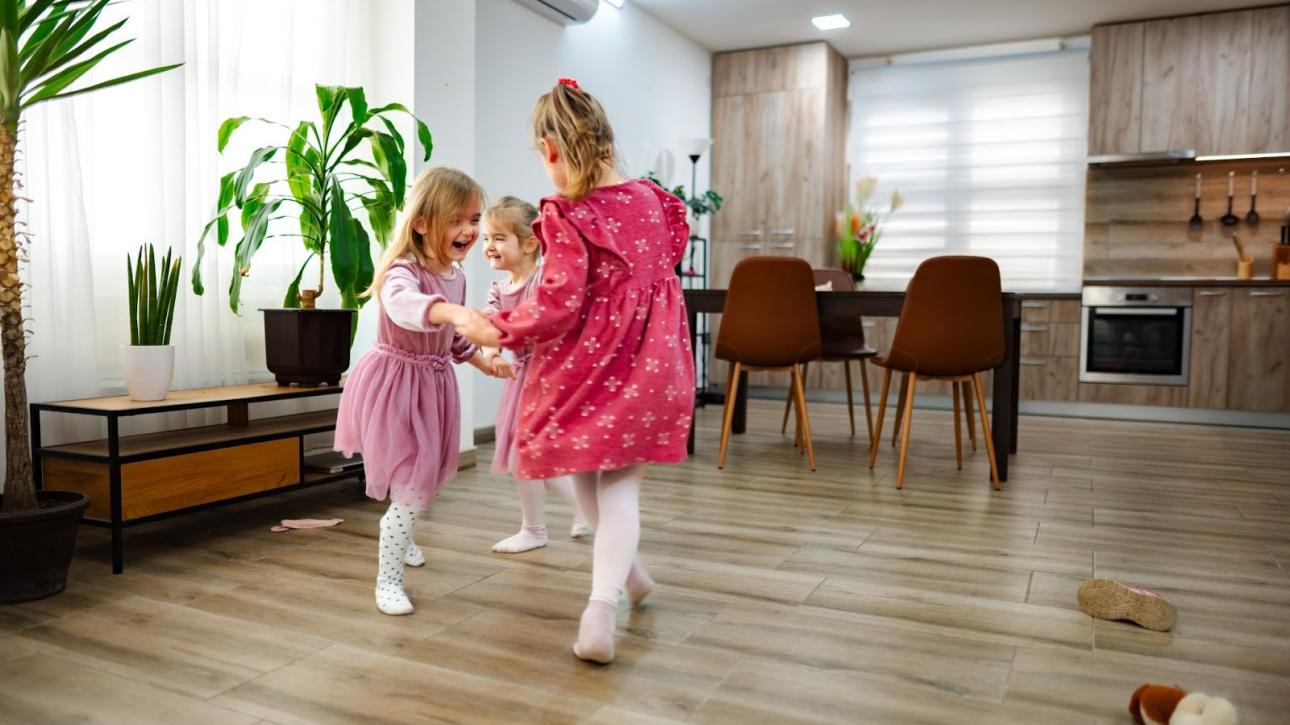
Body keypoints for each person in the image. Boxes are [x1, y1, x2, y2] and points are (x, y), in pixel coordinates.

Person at [457, 78, 695, 663]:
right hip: (652, 360)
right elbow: (664, 267)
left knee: (604, 482)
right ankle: (630, 576)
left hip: (590, 366)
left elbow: (558, 303)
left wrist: (496, 329)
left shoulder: (567, 213)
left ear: (553, 150)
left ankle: (600, 611)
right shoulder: (654, 200)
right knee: (605, 478)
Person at [334, 166, 500, 616]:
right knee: (409, 483)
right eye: (457, 220)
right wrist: (449, 312)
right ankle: (387, 580)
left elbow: (452, 336)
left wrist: (482, 360)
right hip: (394, 385)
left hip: (433, 387)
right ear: (423, 222)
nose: (469, 230)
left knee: (419, 475)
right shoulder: (402, 272)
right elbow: (405, 308)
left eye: (474, 218)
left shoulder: (456, 275)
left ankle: (400, 533)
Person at [479, 195, 593, 554]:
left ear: (530, 244)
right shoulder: (499, 289)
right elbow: (488, 325)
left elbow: (552, 321)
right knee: (521, 455)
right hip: (522, 377)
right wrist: (491, 351)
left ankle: (549, 524)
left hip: (548, 377)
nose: (489, 246)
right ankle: (554, 522)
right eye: (486, 238)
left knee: (529, 454)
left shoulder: (544, 282)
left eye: (499, 238)